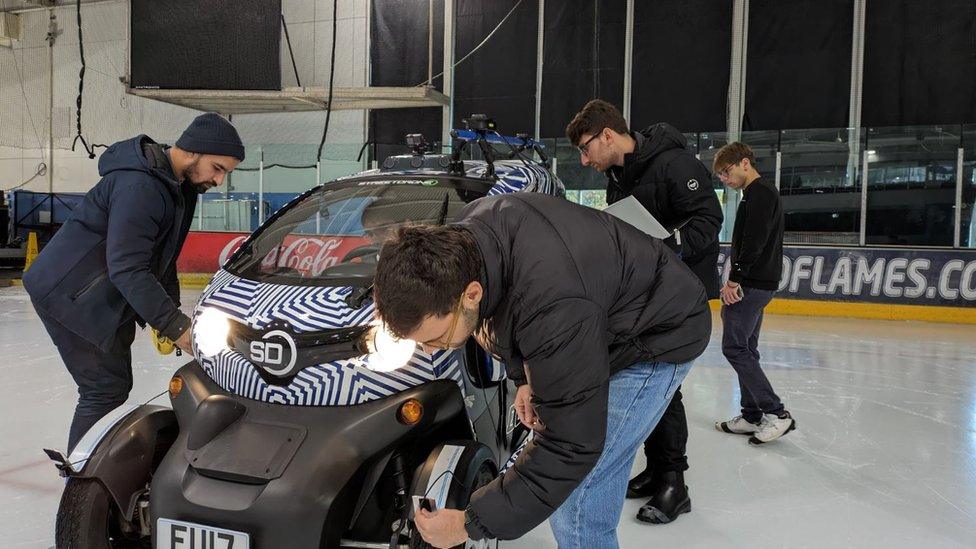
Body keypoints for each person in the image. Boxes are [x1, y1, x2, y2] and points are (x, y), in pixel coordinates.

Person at [372, 192, 711, 548]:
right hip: (602, 318)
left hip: (659, 334)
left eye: (437, 337)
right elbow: (505, 312)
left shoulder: (553, 302)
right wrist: (524, 378)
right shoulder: (468, 243)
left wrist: (469, 524)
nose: (429, 351)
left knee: (579, 494)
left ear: (470, 294)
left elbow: (571, 444)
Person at [23, 113, 244, 453]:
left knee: (112, 386)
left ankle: (91, 475)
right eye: (218, 168)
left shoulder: (182, 189)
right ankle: (81, 486)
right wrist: (174, 326)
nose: (219, 180)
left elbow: (163, 257)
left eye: (225, 173)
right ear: (194, 152)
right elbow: (127, 267)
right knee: (104, 390)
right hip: (70, 294)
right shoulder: (140, 187)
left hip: (103, 291)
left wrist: (167, 315)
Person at [565, 99, 723, 524]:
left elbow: (709, 219)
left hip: (681, 294)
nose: (584, 159)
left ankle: (676, 482)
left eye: (585, 148)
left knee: (662, 382)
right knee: (651, 378)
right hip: (646, 294)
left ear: (607, 135)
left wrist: (667, 251)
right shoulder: (619, 176)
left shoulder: (674, 164)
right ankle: (658, 470)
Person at [712, 141, 796, 444]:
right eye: (720, 175)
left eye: (727, 171)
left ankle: (777, 413)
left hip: (753, 283)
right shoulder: (755, 194)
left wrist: (735, 279)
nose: (724, 179)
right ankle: (751, 414)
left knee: (735, 348)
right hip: (759, 281)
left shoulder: (760, 193)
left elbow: (754, 241)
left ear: (745, 163)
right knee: (746, 347)